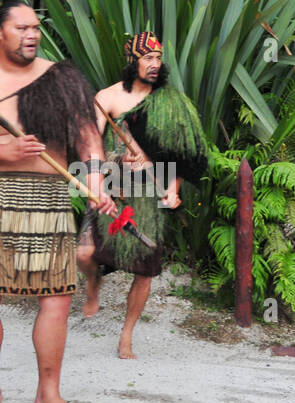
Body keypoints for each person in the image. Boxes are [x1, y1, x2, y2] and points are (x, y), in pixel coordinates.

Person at [0, 1, 116, 403]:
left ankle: (49, 395)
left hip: (49, 197)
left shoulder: (61, 79)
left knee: (56, 298)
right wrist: (2, 150)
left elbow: (89, 140)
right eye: (21, 28)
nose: (31, 34)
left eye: (36, 27)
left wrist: (94, 185)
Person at [77, 33, 207, 358]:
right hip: (112, 188)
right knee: (84, 253)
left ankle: (127, 334)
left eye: (158, 57)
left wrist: (173, 190)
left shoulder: (170, 102)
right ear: (132, 60)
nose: (154, 64)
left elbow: (178, 154)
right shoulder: (106, 98)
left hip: (148, 193)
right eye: (147, 57)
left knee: (144, 271)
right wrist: (114, 162)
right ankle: (93, 283)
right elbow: (89, 147)